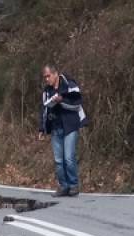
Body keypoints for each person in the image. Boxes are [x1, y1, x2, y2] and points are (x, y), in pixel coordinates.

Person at [38, 64, 87, 197]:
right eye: (44, 77)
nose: (46, 79)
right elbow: (43, 110)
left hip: (70, 126)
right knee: (58, 160)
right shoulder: (46, 91)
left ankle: (73, 185)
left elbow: (77, 103)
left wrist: (62, 100)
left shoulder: (69, 84)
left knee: (69, 158)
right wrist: (42, 128)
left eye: (48, 76)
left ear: (55, 74)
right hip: (56, 128)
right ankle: (64, 186)